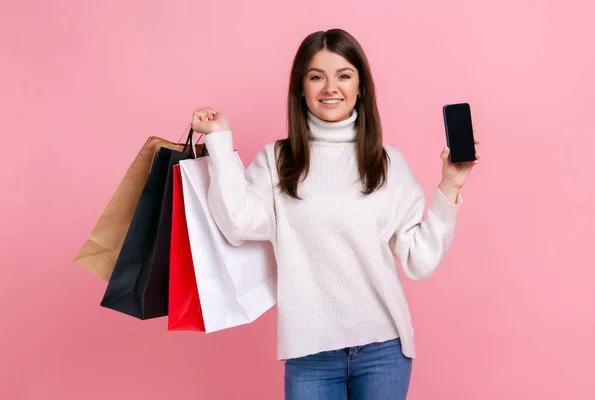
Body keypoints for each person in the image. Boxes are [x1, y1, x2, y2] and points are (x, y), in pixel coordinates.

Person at [190, 28, 480, 400]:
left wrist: (450, 187)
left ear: (360, 87)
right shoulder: (279, 161)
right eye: (316, 77)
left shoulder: (387, 163)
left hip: (383, 351)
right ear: (301, 88)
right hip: (310, 355)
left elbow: (419, 261)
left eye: (344, 75)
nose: (331, 87)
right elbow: (238, 224)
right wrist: (218, 140)